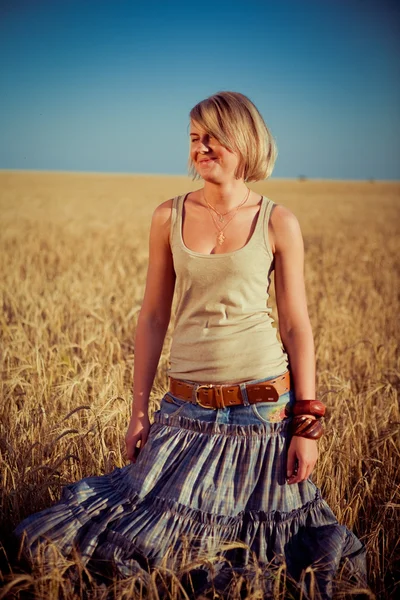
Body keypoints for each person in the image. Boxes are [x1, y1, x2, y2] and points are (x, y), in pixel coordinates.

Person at [15, 91, 367, 599]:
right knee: (133, 547)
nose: (201, 148)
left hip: (261, 413)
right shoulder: (168, 216)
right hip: (184, 409)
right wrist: (139, 412)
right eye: (194, 138)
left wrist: (306, 424)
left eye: (213, 137)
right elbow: (154, 316)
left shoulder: (277, 221)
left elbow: (295, 326)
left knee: (260, 566)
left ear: (244, 142)